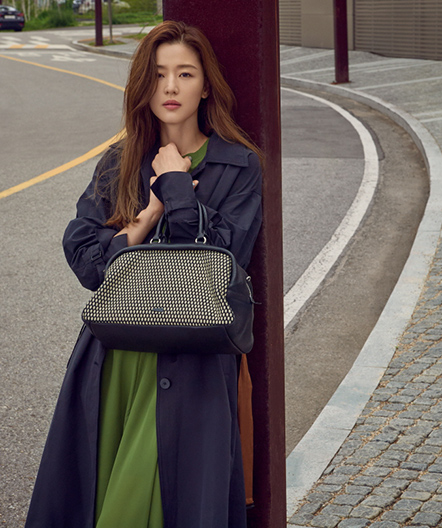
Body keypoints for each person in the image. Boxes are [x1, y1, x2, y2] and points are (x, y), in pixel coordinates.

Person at [25, 20, 262, 528]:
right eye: (157, 74)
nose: (170, 87)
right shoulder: (120, 160)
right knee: (103, 497)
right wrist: (149, 213)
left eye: (185, 74)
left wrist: (177, 186)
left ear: (206, 86)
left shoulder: (239, 166)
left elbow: (221, 261)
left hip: (195, 364)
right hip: (115, 355)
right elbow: (87, 261)